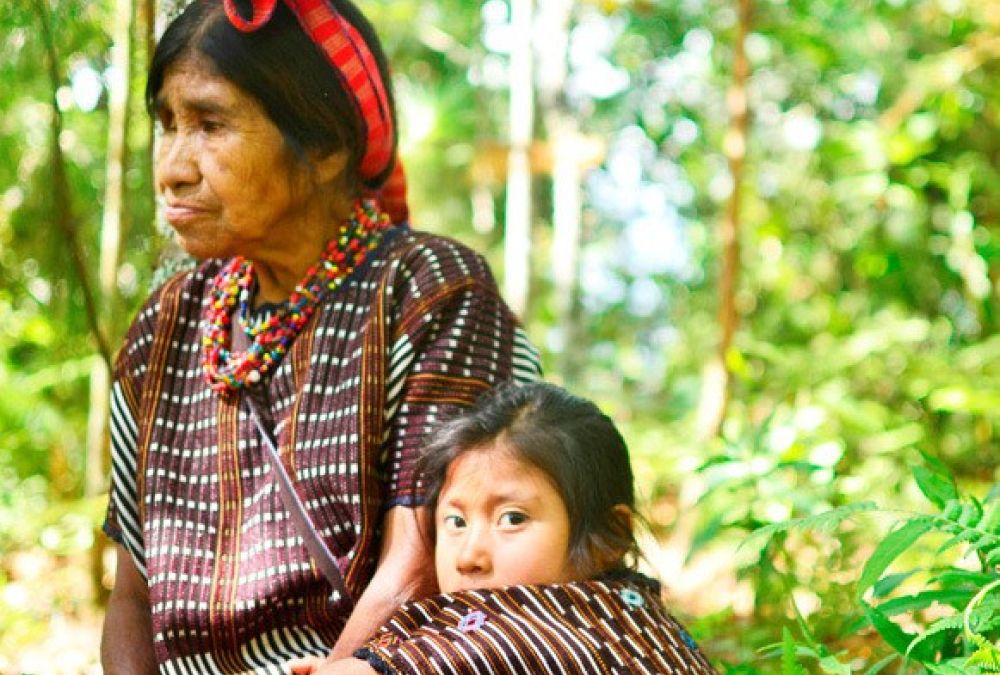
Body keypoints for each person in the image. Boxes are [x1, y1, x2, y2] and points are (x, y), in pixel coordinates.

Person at [99, 0, 541, 672]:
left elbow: (420, 562)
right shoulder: (164, 328)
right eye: (168, 124)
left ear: (327, 147)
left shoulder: (430, 294)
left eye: (211, 124)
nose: (173, 169)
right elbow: (133, 595)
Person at [300, 382, 717, 674]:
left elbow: (468, 654)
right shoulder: (630, 615)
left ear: (608, 537)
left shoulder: (524, 626)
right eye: (456, 521)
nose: (469, 557)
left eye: (512, 519)